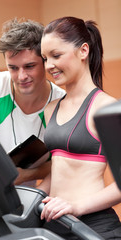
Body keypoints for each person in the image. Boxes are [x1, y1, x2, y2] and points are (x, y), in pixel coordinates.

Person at [37, 16, 121, 239]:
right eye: (45, 58)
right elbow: (60, 168)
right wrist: (33, 196)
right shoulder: (51, 109)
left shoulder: (107, 109)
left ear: (83, 51)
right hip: (53, 224)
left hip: (93, 227)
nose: (49, 65)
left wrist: (76, 206)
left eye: (56, 55)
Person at [0, 18, 65, 186]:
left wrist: (25, 175)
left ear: (45, 61)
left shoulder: (62, 102)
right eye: (13, 68)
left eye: (29, 66)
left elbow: (65, 164)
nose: (21, 76)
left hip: (21, 201)